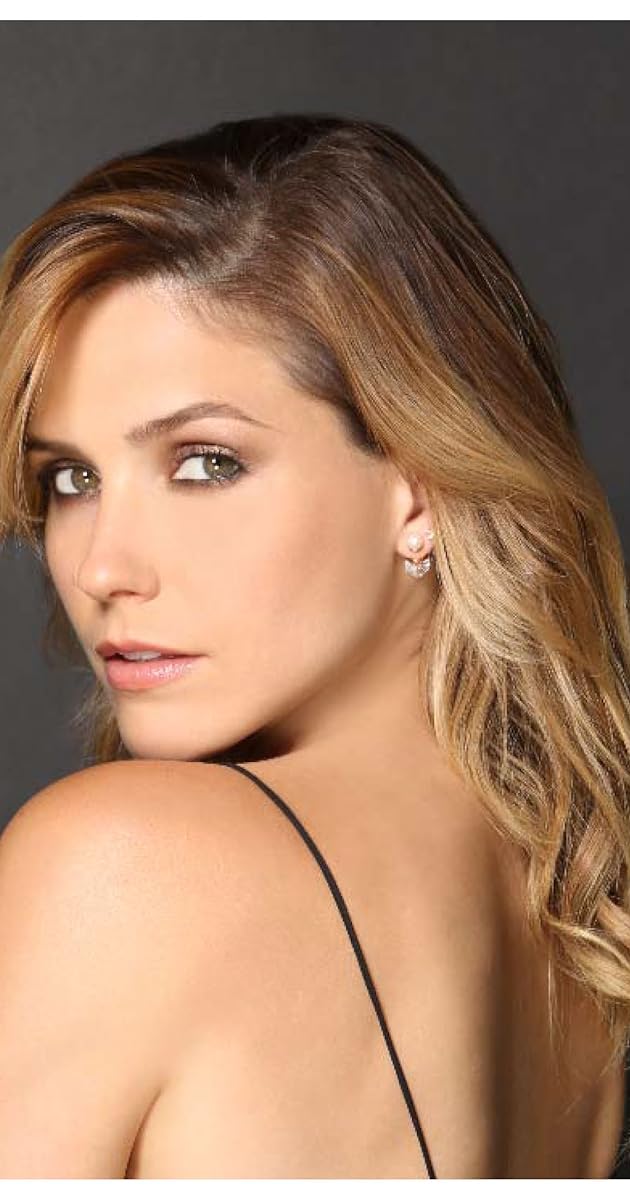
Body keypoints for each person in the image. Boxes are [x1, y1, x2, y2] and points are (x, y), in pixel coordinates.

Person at [0, 113, 628, 1179]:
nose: (102, 567)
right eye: (71, 478)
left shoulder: (123, 867)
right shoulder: (582, 916)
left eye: (205, 463)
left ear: (419, 483)